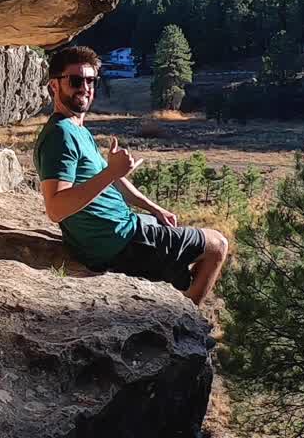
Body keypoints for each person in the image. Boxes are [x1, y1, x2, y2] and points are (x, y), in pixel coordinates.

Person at [33, 45, 228, 305]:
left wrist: (154, 207)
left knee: (163, 225)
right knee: (217, 244)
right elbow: (55, 208)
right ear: (54, 86)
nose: (85, 87)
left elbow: (110, 177)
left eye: (91, 80)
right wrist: (112, 171)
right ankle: (189, 314)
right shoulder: (61, 135)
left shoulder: (76, 128)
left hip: (119, 230)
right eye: (75, 80)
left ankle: (175, 289)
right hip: (116, 242)